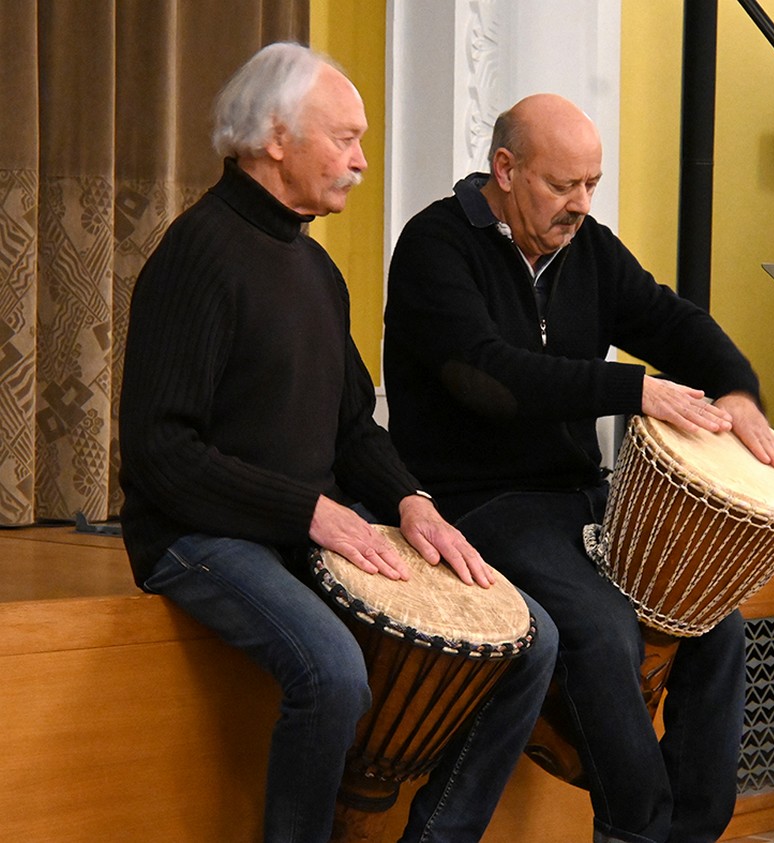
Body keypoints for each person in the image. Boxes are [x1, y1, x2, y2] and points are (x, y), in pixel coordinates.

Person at [118, 44, 557, 843]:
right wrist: (312, 512)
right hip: (195, 536)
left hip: (300, 527)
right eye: (345, 139)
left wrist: (411, 501)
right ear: (274, 136)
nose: (361, 162)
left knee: (531, 639)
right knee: (332, 672)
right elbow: (161, 454)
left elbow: (353, 424)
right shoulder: (197, 254)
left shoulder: (317, 268)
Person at [383, 93, 774, 843]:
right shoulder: (435, 245)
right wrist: (634, 389)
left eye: (592, 184)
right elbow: (489, 378)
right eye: (563, 184)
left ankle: (693, 831)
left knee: (715, 623)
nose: (581, 204)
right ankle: (636, 829)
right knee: (602, 630)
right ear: (506, 169)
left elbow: (668, 319)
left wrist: (735, 387)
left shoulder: (588, 249)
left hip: (582, 496)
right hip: (478, 501)